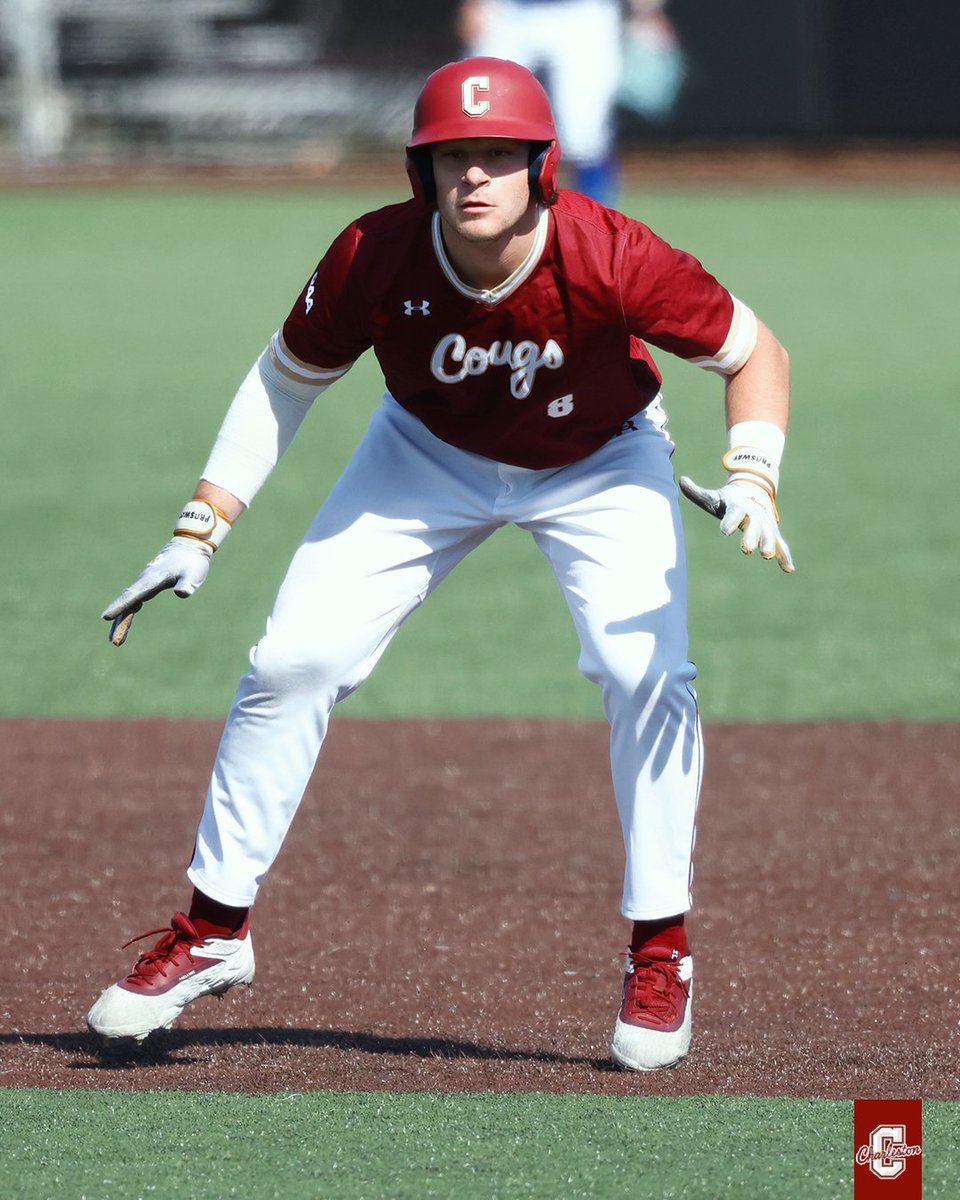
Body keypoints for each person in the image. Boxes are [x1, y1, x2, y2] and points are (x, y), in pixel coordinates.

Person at [87, 57, 794, 1072]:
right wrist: (202, 524)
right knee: (292, 661)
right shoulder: (375, 253)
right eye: (453, 157)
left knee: (649, 673)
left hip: (601, 458)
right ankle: (212, 932)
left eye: (498, 156)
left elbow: (752, 352)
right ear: (423, 171)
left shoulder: (609, 252)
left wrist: (757, 472)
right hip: (424, 453)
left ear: (540, 169)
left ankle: (661, 947)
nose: (474, 177)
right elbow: (284, 380)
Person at [457, 0, 623, 204]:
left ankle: (598, 224)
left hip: (582, 13)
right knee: (480, 117)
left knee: (582, 133)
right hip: (508, 11)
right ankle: (475, 211)